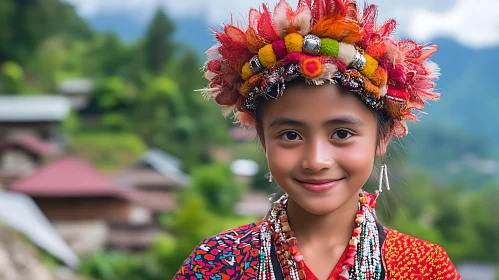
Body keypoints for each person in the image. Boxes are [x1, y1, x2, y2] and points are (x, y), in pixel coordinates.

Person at [174, 0, 461, 279]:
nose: (315, 161)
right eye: (290, 135)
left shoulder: (424, 268)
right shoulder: (217, 263)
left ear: (381, 137)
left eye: (341, 134)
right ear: (262, 138)